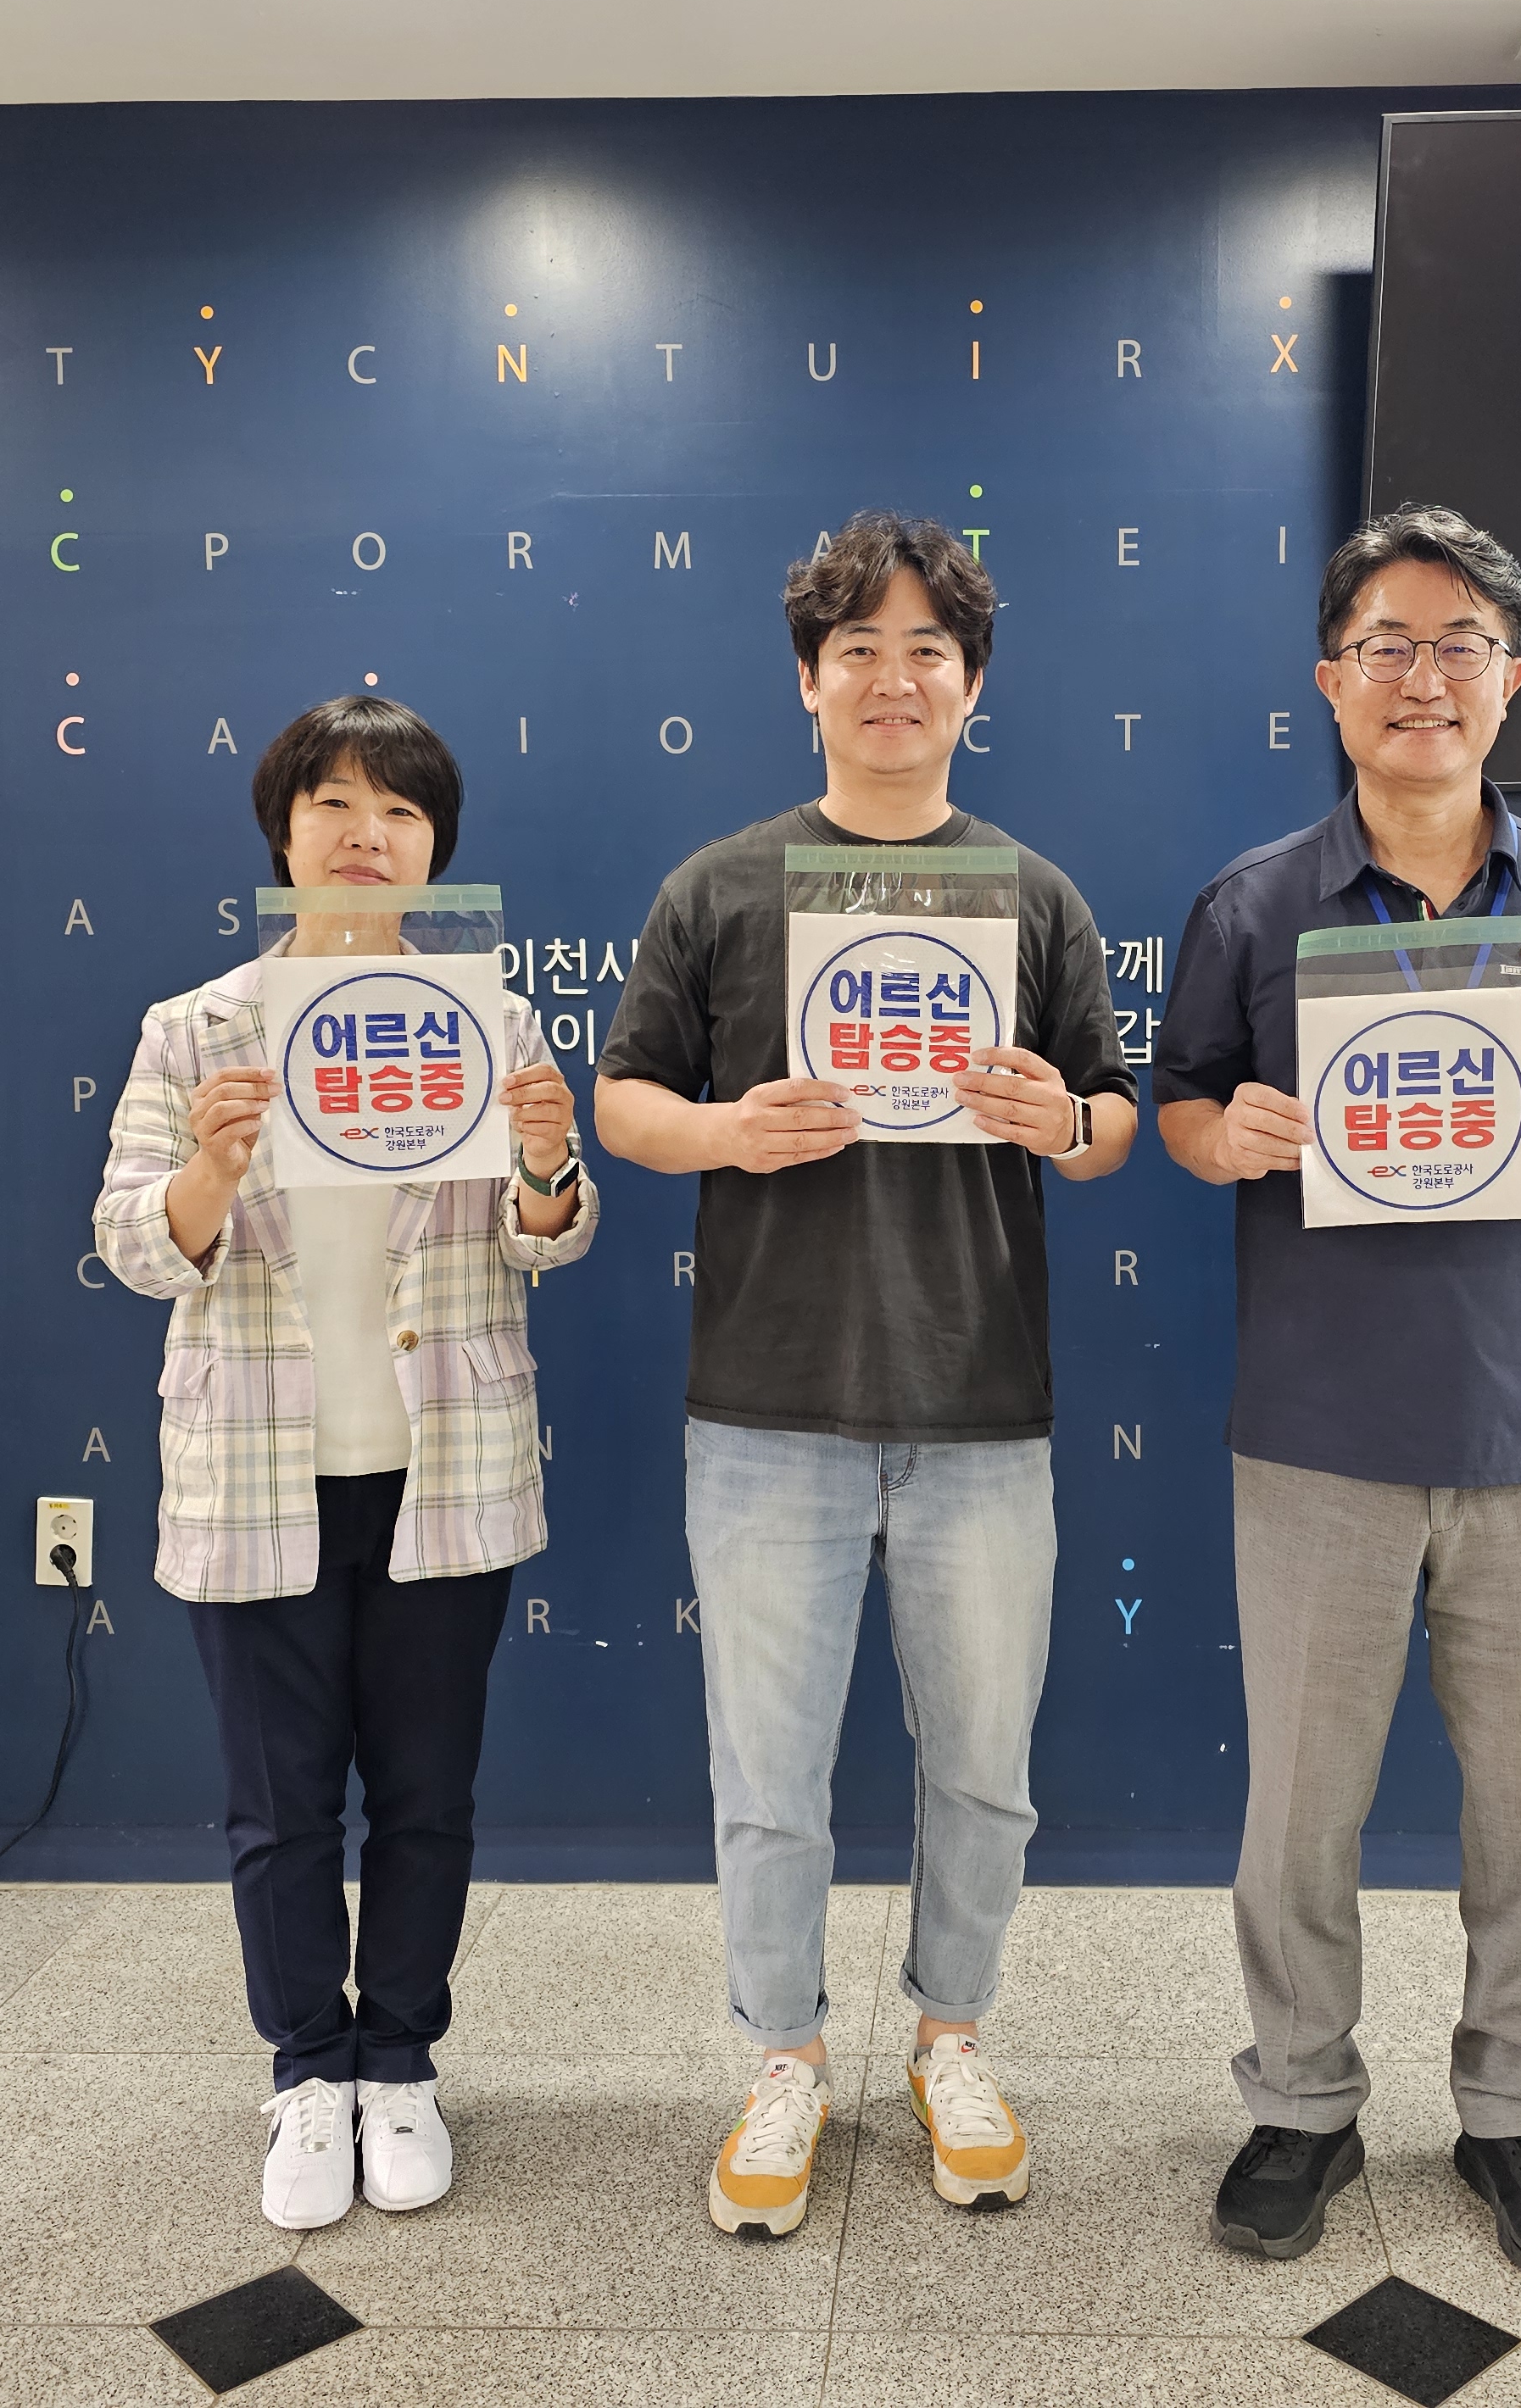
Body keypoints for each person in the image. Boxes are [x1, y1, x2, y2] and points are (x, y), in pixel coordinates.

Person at [594, 512, 1138, 2240]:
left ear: (972, 687)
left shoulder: (1031, 893)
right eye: (858, 654)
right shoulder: (718, 886)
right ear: (806, 682)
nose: (892, 682)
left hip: (982, 1403)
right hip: (767, 1405)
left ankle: (949, 2041)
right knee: (766, 1779)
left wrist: (1062, 1119)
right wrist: (724, 1135)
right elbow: (622, 1101)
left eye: (926, 655)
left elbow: (1114, 1121)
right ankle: (782, 2059)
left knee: (984, 1768)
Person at [1156, 506, 1521, 2282]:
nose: (1423, 677)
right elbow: (1178, 1106)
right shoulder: (1251, 903)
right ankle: (1299, 2104)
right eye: (1386, 643)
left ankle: (1515, 2115)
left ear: (1509, 680)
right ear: (1331, 681)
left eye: (1460, 644)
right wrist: (1222, 1133)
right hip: (1319, 1430)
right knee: (1299, 1811)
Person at [92, 694, 596, 2233]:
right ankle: (309, 2070)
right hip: (257, 1466)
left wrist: (547, 1164)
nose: (366, 835)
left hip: (446, 1461)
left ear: (436, 847)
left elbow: (543, 1241)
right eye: (334, 806)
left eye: (399, 811)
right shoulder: (196, 1031)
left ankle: (405, 2064)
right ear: (284, 832)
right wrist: (210, 1168)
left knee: (429, 1795)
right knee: (279, 1804)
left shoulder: (489, 1020)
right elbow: (131, 1245)